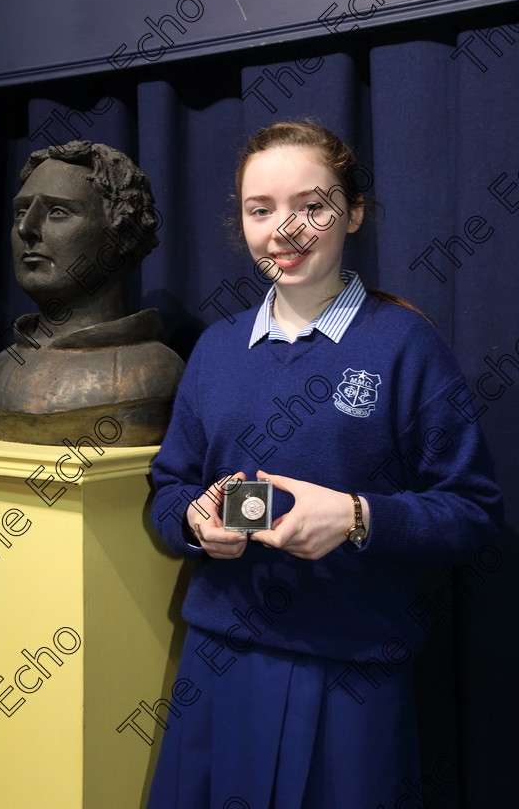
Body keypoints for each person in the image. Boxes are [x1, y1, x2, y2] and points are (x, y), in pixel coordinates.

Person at [147, 121, 502, 808]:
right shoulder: (215, 351)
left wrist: (360, 517)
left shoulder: (406, 346)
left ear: (355, 212)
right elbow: (168, 489)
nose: (286, 229)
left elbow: (473, 512)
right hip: (221, 663)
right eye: (262, 210)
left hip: (352, 673)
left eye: (312, 206)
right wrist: (193, 523)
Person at [0, 140, 184, 446]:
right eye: (20, 213)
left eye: (57, 212)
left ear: (123, 234)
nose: (25, 229)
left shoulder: (157, 374)